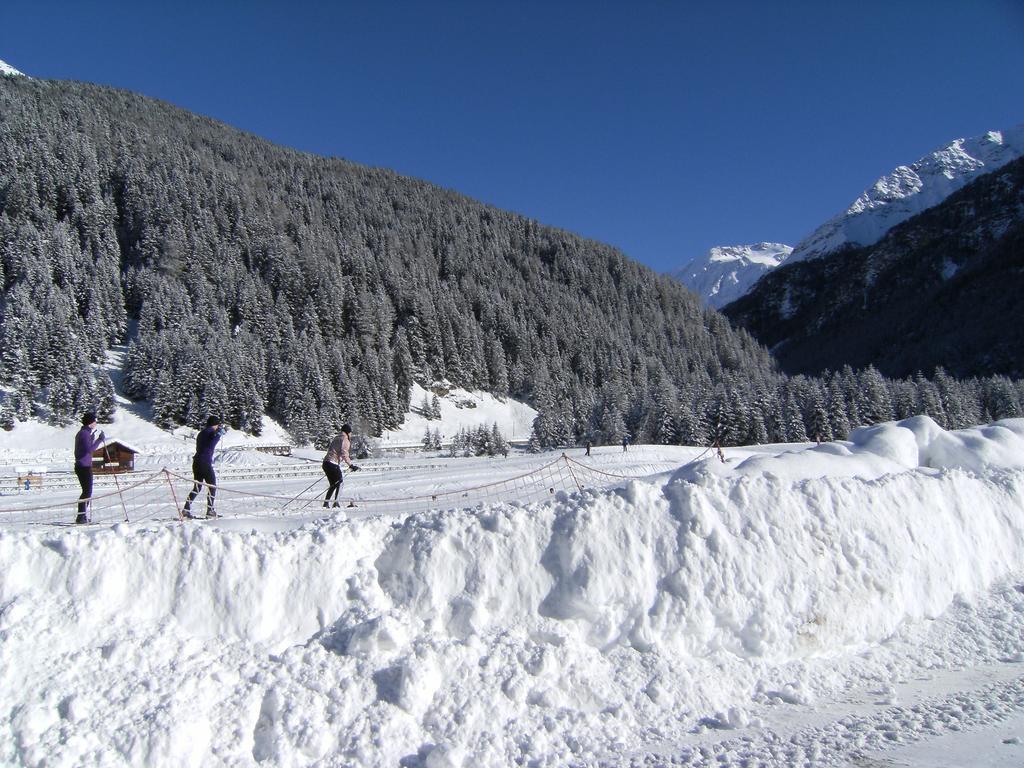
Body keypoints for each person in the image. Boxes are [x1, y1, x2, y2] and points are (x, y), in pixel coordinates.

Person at [183, 415, 227, 519]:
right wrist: (218, 435)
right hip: (205, 462)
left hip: (196, 462)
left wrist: (216, 434)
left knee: (197, 487)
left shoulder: (202, 433)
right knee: (212, 486)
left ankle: (186, 509)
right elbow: (210, 445)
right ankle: (210, 510)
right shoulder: (211, 433)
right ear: (215, 424)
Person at [73, 412, 104, 524]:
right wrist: (99, 440)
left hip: (83, 465)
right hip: (83, 466)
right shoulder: (84, 433)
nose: (96, 423)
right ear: (90, 422)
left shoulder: (84, 433)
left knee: (87, 491)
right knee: (87, 492)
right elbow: (89, 450)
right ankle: (81, 516)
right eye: (95, 421)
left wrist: (92, 438)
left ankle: (82, 516)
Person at [322, 423, 360, 508]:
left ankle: (326, 503)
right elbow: (344, 454)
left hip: (326, 463)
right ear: (347, 432)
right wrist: (351, 465)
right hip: (333, 463)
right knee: (340, 483)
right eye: (350, 432)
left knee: (333, 484)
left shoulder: (336, 438)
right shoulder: (345, 440)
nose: (351, 434)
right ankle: (336, 503)